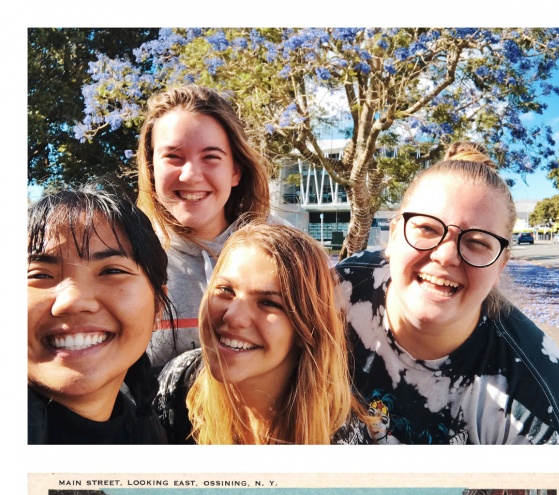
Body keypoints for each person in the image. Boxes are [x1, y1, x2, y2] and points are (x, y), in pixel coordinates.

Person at [336, 141, 559, 444]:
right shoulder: (340, 289)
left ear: (500, 265)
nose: (446, 256)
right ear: (394, 236)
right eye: (427, 229)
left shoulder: (538, 404)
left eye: (477, 241)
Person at [155, 222, 370, 444]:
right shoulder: (178, 382)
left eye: (269, 303)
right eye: (226, 290)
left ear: (307, 327)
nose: (233, 316)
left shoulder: (340, 437)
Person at [137, 84, 272, 369]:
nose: (191, 175)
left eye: (211, 157)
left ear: (235, 171)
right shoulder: (127, 259)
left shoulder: (282, 254)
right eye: (173, 157)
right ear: (151, 168)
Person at [28, 186, 175, 444]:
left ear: (157, 307)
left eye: (111, 271)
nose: (72, 301)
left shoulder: (149, 434)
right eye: (40, 275)